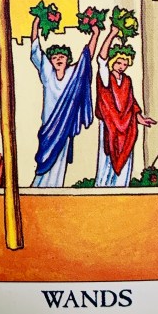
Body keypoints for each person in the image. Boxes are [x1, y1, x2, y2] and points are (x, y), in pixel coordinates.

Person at [30, 12, 99, 187]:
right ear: (50, 61)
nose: (58, 59)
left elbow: (87, 58)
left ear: (68, 59)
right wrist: (36, 23)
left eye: (61, 57)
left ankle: (54, 187)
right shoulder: (47, 73)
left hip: (65, 124)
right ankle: (40, 186)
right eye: (54, 57)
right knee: (44, 157)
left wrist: (95, 34)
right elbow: (36, 49)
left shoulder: (72, 74)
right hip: (49, 125)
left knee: (60, 158)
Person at [95, 23, 156, 186]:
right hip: (110, 124)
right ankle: (103, 187)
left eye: (125, 64)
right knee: (107, 157)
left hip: (127, 125)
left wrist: (140, 118)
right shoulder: (106, 76)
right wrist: (112, 34)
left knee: (126, 157)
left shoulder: (127, 80)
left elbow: (131, 102)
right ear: (113, 62)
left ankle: (121, 186)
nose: (122, 67)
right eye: (119, 63)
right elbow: (101, 59)